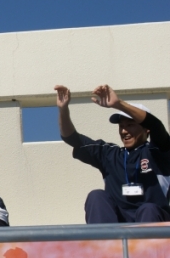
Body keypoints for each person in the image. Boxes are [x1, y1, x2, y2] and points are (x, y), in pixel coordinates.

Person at [55, 84, 170, 223]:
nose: (124, 131)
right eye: (121, 126)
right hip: (118, 223)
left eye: (130, 125)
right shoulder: (110, 154)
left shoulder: (159, 151)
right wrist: (63, 109)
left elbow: (156, 126)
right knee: (96, 196)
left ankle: (146, 239)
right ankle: (104, 237)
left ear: (146, 129)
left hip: (152, 221)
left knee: (148, 209)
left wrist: (118, 104)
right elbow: (71, 138)